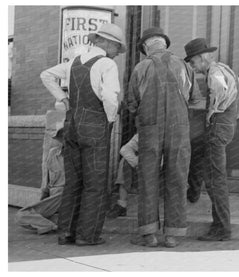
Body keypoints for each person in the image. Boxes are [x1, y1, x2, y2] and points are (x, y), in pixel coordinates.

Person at [40, 23, 126, 246]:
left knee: (73, 183)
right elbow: (110, 97)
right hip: (95, 126)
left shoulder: (73, 63)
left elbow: (46, 75)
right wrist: (110, 120)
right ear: (106, 43)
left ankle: (65, 232)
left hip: (72, 125)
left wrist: (63, 98)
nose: (118, 53)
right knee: (95, 184)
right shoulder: (106, 64)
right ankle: (87, 236)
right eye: (117, 47)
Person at [127, 27, 199, 248]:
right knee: (177, 178)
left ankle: (149, 235)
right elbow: (195, 98)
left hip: (150, 129)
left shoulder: (141, 67)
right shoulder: (185, 66)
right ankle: (172, 235)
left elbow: (132, 103)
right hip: (179, 129)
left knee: (148, 178)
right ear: (165, 44)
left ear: (146, 47)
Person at [184, 38, 239, 241]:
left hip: (217, 129)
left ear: (201, 58)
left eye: (192, 62)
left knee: (215, 180)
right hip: (226, 127)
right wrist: (227, 118)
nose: (192, 67)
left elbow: (220, 91)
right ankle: (192, 189)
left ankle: (222, 228)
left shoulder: (215, 73)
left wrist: (213, 113)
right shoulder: (226, 69)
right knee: (196, 149)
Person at [15, 110, 65, 234]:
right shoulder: (53, 153)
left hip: (64, 195)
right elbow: (47, 181)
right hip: (52, 196)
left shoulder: (75, 156)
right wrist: (42, 198)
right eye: (61, 138)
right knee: (22, 215)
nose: (63, 141)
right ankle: (53, 225)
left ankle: (54, 225)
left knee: (23, 214)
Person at [107, 134, 139, 218]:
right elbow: (124, 150)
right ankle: (122, 204)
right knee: (125, 161)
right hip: (143, 169)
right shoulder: (143, 134)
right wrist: (137, 163)